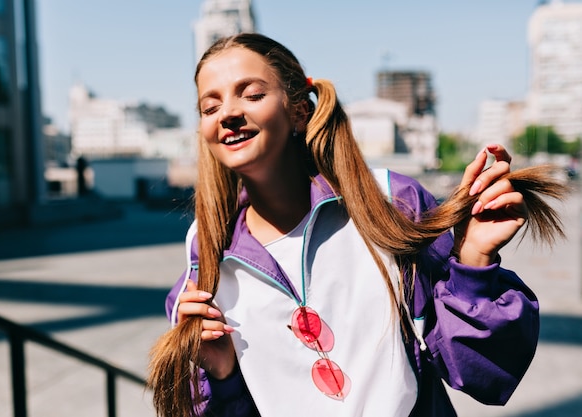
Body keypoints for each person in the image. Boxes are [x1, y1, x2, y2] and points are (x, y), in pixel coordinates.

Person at [148, 33, 568, 417]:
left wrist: (474, 260)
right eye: (210, 105)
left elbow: (482, 372)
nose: (229, 114)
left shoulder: (389, 203)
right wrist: (221, 374)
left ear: (299, 112)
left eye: (252, 94)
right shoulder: (203, 252)